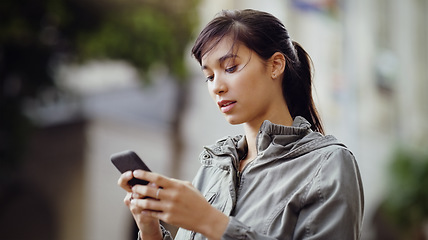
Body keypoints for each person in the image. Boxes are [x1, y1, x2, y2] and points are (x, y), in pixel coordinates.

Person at [118, 9, 364, 240]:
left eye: (231, 67)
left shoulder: (328, 164)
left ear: (276, 65)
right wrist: (150, 230)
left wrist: (210, 221)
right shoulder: (214, 167)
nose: (216, 87)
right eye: (209, 76)